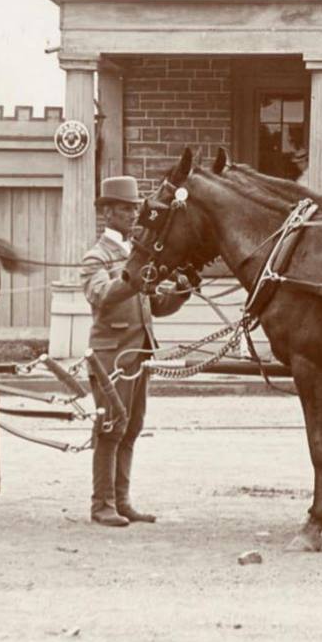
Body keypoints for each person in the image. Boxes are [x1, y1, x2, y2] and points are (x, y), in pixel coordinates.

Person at [80, 174, 187, 527]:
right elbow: (102, 296)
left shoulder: (133, 255)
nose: (132, 215)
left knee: (132, 427)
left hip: (138, 354)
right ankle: (102, 505)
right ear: (107, 213)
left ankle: (122, 502)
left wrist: (181, 292)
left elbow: (153, 306)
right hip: (110, 355)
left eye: (134, 209)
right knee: (111, 427)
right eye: (125, 209)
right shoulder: (96, 257)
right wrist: (134, 277)